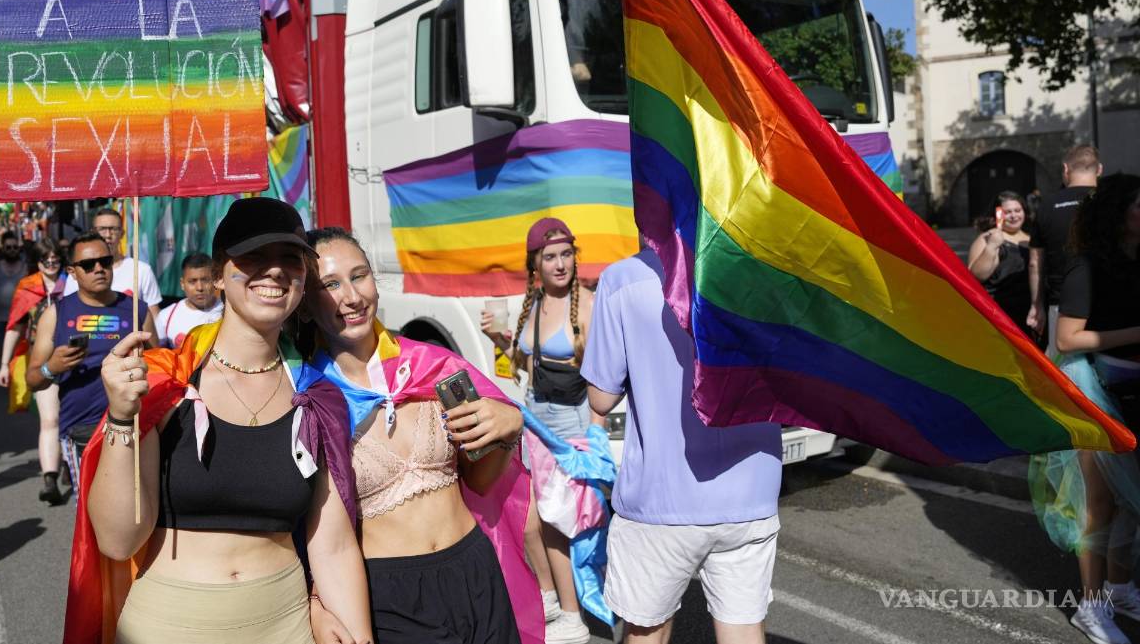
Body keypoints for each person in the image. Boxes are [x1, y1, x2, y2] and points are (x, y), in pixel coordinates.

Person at [65, 197, 371, 644]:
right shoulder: (162, 383)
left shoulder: (318, 398)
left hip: (285, 626)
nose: (275, 271)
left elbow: (335, 546)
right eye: (255, 257)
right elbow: (116, 541)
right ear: (219, 276)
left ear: (304, 282)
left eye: (291, 259)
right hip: (167, 626)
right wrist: (121, 418)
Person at [302, 227, 541, 644]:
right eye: (331, 284)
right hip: (392, 597)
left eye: (360, 276)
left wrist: (508, 429)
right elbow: (295, 521)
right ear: (304, 305)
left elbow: (480, 480)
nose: (353, 297)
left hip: (475, 572)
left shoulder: (434, 367)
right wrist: (313, 602)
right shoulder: (311, 400)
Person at [582, 248, 782, 644]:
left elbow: (600, 399)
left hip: (662, 495)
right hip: (750, 490)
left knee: (646, 631)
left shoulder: (625, 278)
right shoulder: (760, 265)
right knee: (744, 631)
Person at [481, 217, 598, 644]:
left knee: (565, 521)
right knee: (531, 518)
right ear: (536, 264)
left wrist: (599, 433)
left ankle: (575, 614)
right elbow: (524, 364)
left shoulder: (587, 304)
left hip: (572, 425)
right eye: (551, 256)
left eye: (566, 254)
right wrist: (498, 337)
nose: (560, 263)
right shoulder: (531, 302)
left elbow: (607, 376)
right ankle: (550, 595)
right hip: (533, 419)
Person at [1049, 174, 1140, 644]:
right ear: (1119, 213)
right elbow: (1066, 339)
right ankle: (1091, 606)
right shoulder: (1086, 266)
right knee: (1100, 506)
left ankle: (1122, 590)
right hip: (1098, 392)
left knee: (1133, 503)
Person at [25, 232, 157, 497]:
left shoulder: (136, 309)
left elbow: (160, 368)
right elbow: (33, 379)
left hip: (133, 425)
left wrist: (147, 359)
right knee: (89, 515)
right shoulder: (57, 313)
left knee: (134, 509)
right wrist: (53, 367)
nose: (99, 269)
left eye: (105, 262)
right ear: (73, 272)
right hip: (80, 430)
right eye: (88, 265)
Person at [0, 238, 68, 504]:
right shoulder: (27, 287)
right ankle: (50, 477)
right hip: (41, 362)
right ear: (37, 263)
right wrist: (4, 364)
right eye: (45, 261)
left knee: (71, 419)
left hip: (75, 359)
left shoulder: (74, 283)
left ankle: (69, 467)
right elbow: (15, 327)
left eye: (56, 260)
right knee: (49, 419)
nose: (51, 265)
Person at [1029, 144, 1103, 353]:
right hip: (1108, 300)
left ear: (1065, 169)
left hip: (1061, 306)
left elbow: (1035, 262)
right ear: (1099, 170)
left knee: (1065, 377)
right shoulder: (1112, 203)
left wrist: (1037, 305)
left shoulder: (1047, 206)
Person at [65, 207, 162, 323]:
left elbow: (154, 316)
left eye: (113, 229)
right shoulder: (79, 271)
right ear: (93, 232)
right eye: (102, 229)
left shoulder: (141, 270)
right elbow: (69, 314)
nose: (108, 234)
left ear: (122, 233)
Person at [967, 191, 1034, 339]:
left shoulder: (1032, 239)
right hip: (998, 314)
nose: (1014, 216)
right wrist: (992, 247)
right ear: (998, 214)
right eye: (1007, 212)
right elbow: (976, 275)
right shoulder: (987, 238)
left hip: (1028, 313)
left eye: (1018, 210)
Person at [155, 253, 224, 348]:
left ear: (215, 280)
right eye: (192, 281)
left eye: (205, 280)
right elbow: (158, 356)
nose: (199, 287)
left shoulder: (229, 311)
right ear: (182, 283)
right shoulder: (166, 316)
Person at [0, 232, 28, 340]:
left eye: (15, 247)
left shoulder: (26, 267)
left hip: (21, 318)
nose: (12, 250)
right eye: (8, 247)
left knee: (20, 353)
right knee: (2, 353)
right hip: (0, 318)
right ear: (3, 248)